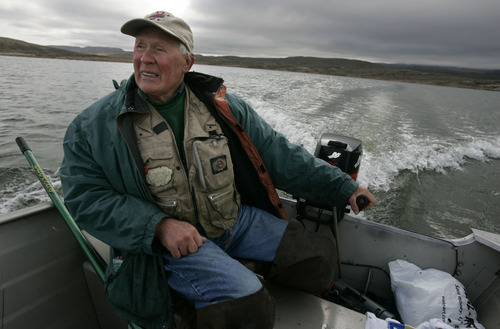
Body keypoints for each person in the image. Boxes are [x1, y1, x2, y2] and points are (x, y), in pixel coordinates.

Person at [60, 10, 376, 329]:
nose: (145, 58)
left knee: (317, 255)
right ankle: (220, 287)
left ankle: (233, 268)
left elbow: (281, 155)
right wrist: (159, 226)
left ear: (188, 62)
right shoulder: (93, 126)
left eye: (159, 49)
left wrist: (343, 188)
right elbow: (84, 198)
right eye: (140, 46)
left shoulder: (222, 107)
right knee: (247, 302)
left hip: (233, 223)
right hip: (167, 249)